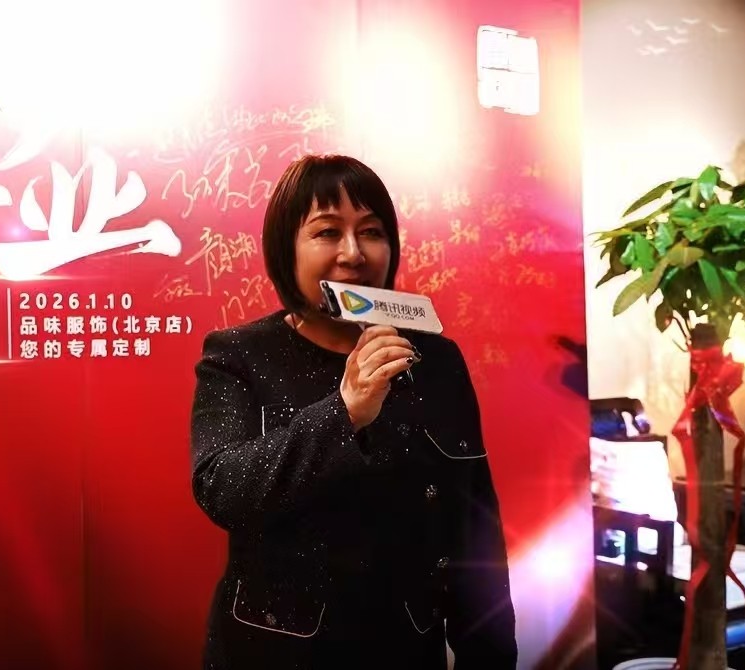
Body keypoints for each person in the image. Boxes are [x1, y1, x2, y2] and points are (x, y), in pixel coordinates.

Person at [190, 154, 517, 669]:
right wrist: (344, 412)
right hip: (274, 653)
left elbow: (474, 524)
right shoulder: (239, 355)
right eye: (326, 232)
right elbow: (221, 489)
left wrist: (490, 656)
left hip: (404, 649)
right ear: (285, 248)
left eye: (371, 232)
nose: (353, 253)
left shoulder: (436, 359)